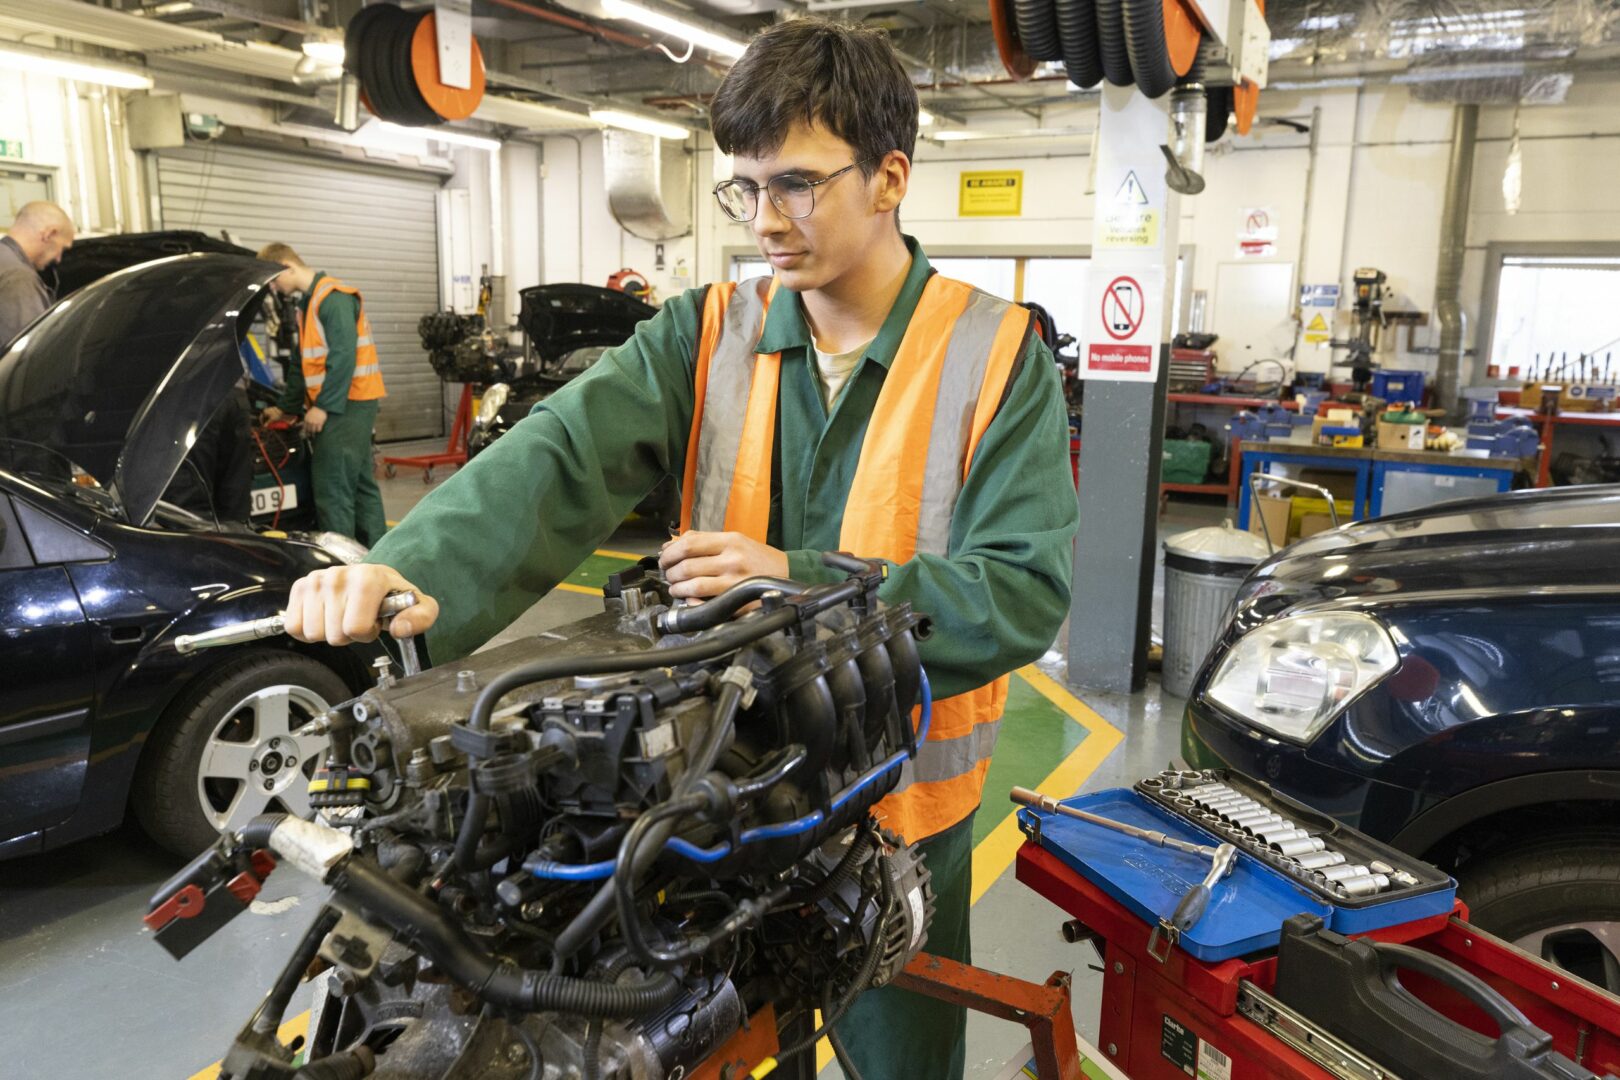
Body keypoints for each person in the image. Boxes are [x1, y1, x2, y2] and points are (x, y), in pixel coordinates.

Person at [277, 18, 1077, 1079]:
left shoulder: (994, 350)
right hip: (716, 802)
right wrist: (408, 566)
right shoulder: (705, 333)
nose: (765, 222)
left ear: (890, 177)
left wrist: (798, 586)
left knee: (901, 1059)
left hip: (898, 808)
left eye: (795, 184)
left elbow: (1021, 589)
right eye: (743, 189)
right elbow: (557, 460)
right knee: (728, 1047)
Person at [256, 243, 388, 546]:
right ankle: (377, 553)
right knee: (358, 482)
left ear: (287, 266)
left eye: (274, 281)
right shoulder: (310, 304)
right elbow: (302, 366)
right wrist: (284, 408)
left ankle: (342, 563)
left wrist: (323, 408)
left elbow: (342, 357)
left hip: (349, 403)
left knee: (332, 484)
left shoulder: (332, 298)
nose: (275, 289)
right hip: (344, 402)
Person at [0, 201, 74, 350]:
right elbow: (27, 357)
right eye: (62, 248)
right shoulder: (18, 278)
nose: (59, 258)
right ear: (49, 234)